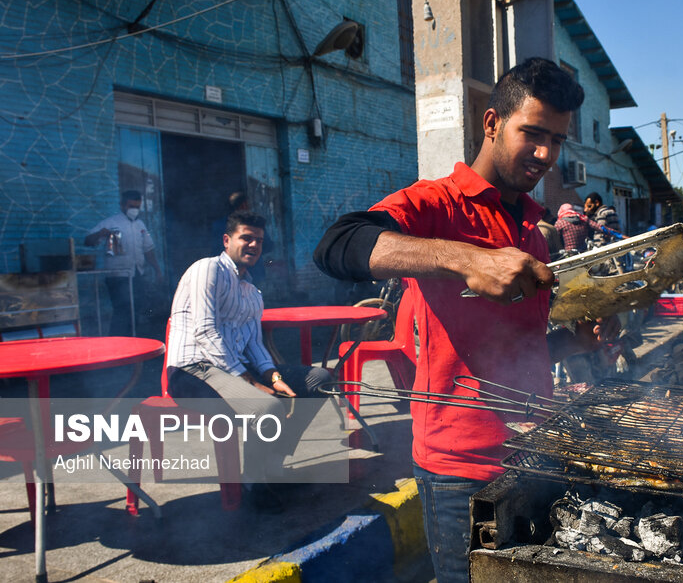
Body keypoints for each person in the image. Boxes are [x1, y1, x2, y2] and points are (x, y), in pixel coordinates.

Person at [313, 57, 584, 583]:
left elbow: (513, 354)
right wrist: (467, 258)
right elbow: (336, 244)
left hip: (534, 453)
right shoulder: (437, 203)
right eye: (532, 133)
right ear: (491, 123)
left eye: (557, 139)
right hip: (461, 472)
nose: (546, 153)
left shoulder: (531, 228)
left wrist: (578, 343)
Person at [166, 210, 329, 511]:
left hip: (234, 370)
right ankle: (253, 483)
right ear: (227, 240)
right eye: (246, 238)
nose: (253, 245)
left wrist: (274, 378)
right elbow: (205, 331)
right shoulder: (207, 269)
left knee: (319, 380)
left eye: (259, 240)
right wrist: (253, 383)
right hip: (193, 370)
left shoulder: (252, 292)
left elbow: (254, 343)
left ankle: (273, 468)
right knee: (266, 406)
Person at [84, 190, 163, 336]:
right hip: (117, 276)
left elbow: (148, 250)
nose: (135, 210)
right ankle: (117, 343)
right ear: (122, 205)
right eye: (131, 206)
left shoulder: (140, 225)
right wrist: (101, 233)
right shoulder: (111, 222)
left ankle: (133, 341)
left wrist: (157, 270)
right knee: (122, 310)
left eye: (137, 207)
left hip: (137, 274)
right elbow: (88, 240)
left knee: (136, 310)